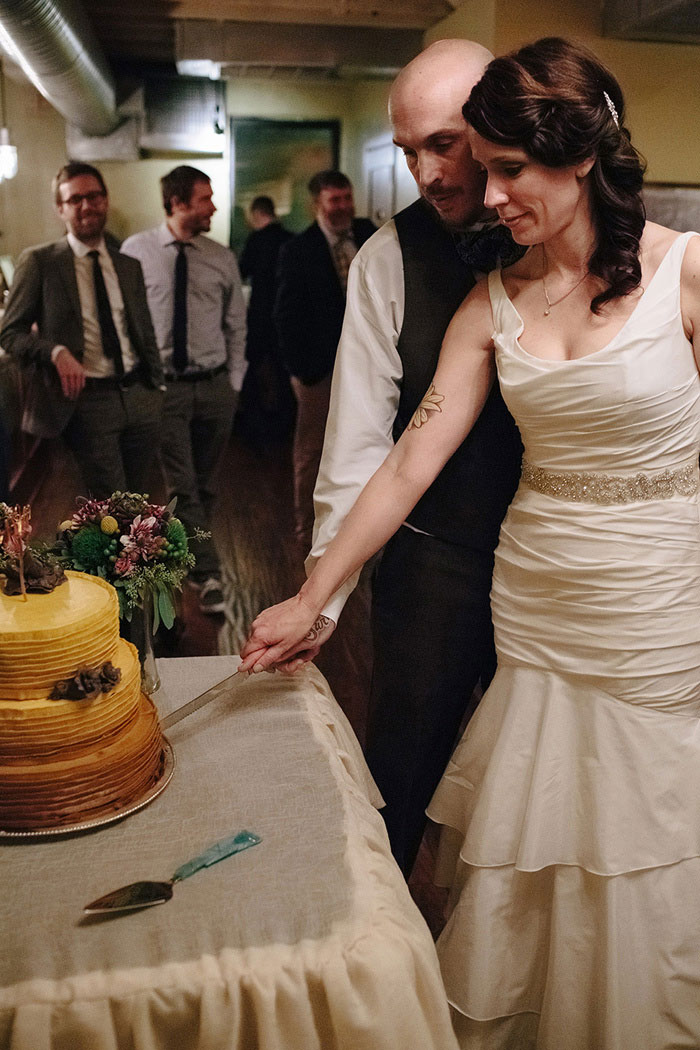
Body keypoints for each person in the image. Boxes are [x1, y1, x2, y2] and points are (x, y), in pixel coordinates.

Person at [241, 36, 700, 1049]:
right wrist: (316, 594)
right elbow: (403, 462)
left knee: (651, 827)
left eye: (505, 169)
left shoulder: (687, 272)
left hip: (654, 602)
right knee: (530, 841)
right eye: (473, 167)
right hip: (536, 602)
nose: (479, 195)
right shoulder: (486, 303)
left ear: (578, 155)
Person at [308, 40, 524, 877]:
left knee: (531, 788)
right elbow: (359, 444)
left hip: (562, 572)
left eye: (444, 143)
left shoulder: (581, 246)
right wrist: (324, 595)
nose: (425, 174)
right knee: (398, 777)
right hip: (432, 566)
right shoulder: (385, 259)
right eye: (407, 152)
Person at [121, 165, 247, 614]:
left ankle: (179, 556)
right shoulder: (135, 252)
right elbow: (124, 319)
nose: (214, 206)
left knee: (206, 485)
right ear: (177, 203)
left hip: (214, 387)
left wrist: (234, 382)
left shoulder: (221, 257)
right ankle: (209, 573)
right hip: (165, 389)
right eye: (205, 198)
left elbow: (236, 324)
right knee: (183, 482)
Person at [0, 161, 164, 497]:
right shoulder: (40, 262)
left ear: (105, 200)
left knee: (141, 504)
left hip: (139, 396)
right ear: (60, 209)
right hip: (89, 402)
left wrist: (157, 388)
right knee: (112, 508)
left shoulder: (127, 264)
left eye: (94, 196)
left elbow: (143, 331)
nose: (86, 206)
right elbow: (9, 332)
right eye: (75, 200)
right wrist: (54, 351)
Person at [274, 170, 376, 552]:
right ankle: (309, 529)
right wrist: (304, 373)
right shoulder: (297, 250)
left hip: (369, 366)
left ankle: (359, 526)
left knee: (365, 443)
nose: (344, 207)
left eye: (347, 197)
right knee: (313, 451)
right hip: (320, 369)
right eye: (335, 200)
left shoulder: (369, 234)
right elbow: (284, 317)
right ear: (317, 204)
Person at [238, 196, 294, 450]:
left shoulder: (255, 240)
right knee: (284, 372)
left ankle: (252, 423)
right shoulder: (291, 240)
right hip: (286, 317)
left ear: (256, 214)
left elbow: (242, 273)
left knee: (250, 368)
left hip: (260, 315)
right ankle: (286, 424)